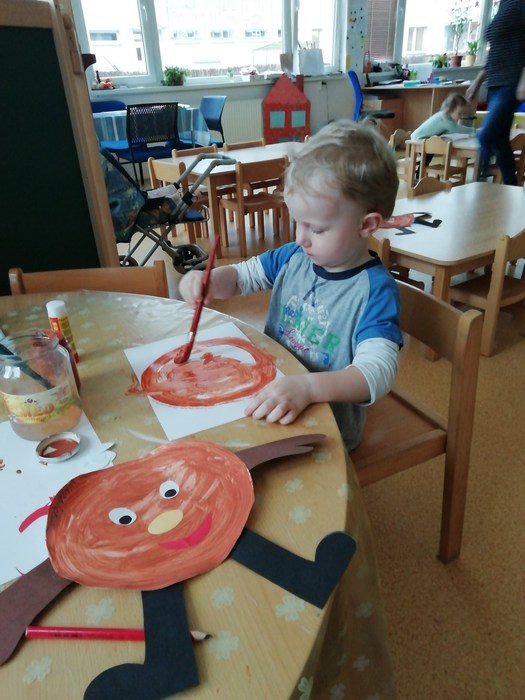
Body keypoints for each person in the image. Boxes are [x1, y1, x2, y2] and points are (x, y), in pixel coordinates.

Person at [178, 120, 404, 451]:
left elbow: (375, 375)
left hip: (326, 427)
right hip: (273, 396)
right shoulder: (294, 256)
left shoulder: (375, 291)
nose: (300, 238)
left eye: (317, 229)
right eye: (298, 222)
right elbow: (242, 277)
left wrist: (308, 388)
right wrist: (208, 280)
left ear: (367, 225)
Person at [465, 0, 525, 185]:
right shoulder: (504, 4)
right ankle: (512, 188)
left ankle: (479, 187)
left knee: (486, 136)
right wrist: (477, 82)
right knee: (500, 142)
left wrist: (524, 81)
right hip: (494, 83)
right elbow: (495, 53)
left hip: (511, 82)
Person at [411, 92, 477, 140]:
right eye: (459, 113)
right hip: (419, 139)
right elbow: (457, 129)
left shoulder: (444, 115)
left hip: (419, 137)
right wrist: (475, 131)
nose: (461, 116)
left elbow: (451, 130)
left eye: (463, 113)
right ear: (450, 110)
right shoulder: (444, 119)